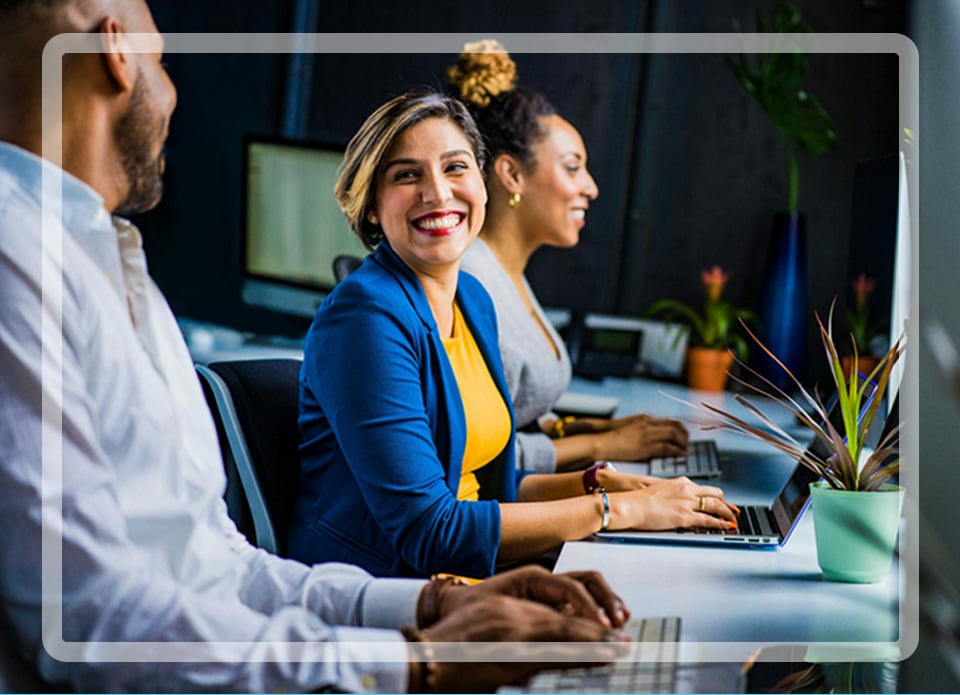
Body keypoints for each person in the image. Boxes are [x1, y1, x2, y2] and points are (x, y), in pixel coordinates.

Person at [0, 1, 634, 692]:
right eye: (161, 59)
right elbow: (91, 623)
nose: (172, 90)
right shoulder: (16, 262)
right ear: (117, 51)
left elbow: (221, 566)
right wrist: (415, 659)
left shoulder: (109, 260)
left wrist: (437, 606)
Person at [290, 90, 738, 581]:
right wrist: (617, 511)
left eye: (456, 167)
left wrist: (599, 485)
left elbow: (489, 489)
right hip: (384, 593)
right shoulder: (364, 318)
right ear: (372, 206)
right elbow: (429, 531)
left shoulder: (473, 300)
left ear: (483, 184)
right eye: (406, 175)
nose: (438, 193)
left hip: (469, 578)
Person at [452, 40, 691, 475]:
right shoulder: (472, 283)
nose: (591, 187)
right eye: (572, 166)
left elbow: (515, 418)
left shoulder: (507, 274)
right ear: (511, 174)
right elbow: (478, 457)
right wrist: (602, 444)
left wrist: (593, 429)